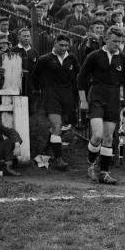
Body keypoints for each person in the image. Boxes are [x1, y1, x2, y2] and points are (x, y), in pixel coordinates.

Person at [77, 25, 125, 184]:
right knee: (98, 135)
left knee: (108, 137)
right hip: (96, 96)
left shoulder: (124, 58)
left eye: (120, 41)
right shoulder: (94, 56)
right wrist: (83, 100)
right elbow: (81, 78)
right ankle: (91, 164)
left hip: (114, 98)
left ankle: (104, 172)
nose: (117, 44)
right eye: (114, 41)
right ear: (106, 39)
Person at [32, 34, 80, 170]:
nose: (64, 48)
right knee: (57, 125)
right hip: (51, 95)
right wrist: (38, 90)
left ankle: (47, 151)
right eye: (61, 45)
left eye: (66, 46)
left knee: (58, 128)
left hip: (67, 96)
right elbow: (35, 77)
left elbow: (80, 74)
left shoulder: (72, 58)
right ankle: (59, 159)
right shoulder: (45, 59)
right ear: (55, 44)